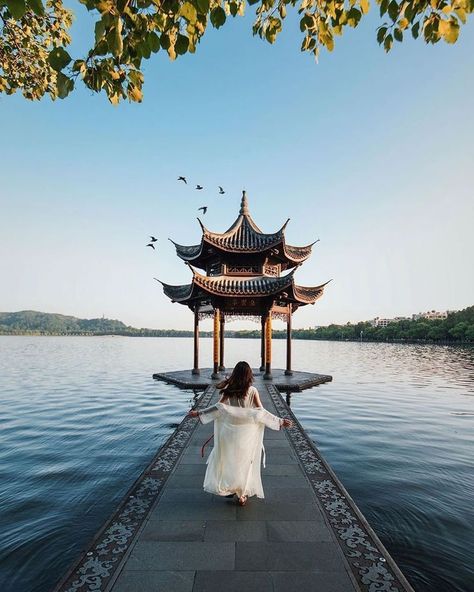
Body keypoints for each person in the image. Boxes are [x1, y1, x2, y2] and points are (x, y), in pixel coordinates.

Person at [188, 361, 293, 506]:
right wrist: (280, 421)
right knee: (246, 461)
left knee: (231, 460)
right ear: (249, 375)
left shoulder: (229, 389)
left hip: (230, 431)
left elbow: (218, 408)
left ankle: (232, 486)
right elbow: (261, 412)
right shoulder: (252, 391)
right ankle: (242, 494)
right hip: (247, 433)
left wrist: (199, 413)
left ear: (235, 374)